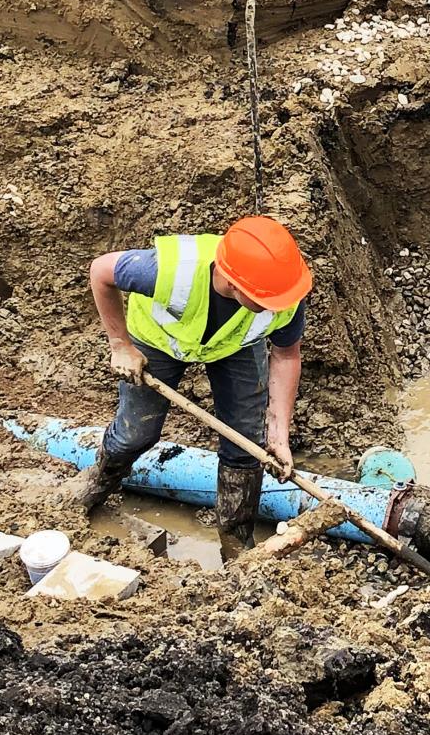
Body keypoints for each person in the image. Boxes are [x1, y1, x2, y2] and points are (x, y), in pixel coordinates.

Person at [65, 216, 313, 547]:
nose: (282, 306)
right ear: (233, 283)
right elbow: (101, 271)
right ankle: (97, 482)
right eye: (269, 301)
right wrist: (121, 346)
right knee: (135, 433)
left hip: (234, 344)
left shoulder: (282, 294)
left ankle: (236, 540)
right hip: (160, 340)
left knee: (246, 445)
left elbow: (286, 356)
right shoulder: (169, 270)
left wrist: (279, 432)